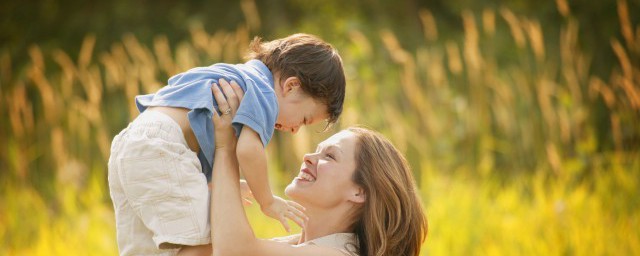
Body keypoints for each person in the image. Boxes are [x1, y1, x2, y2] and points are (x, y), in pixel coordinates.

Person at [107, 33, 346, 255]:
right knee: (199, 245)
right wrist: (267, 200)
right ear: (291, 86)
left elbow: (194, 122)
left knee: (143, 247)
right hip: (164, 145)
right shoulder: (263, 95)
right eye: (304, 120)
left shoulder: (237, 74)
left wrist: (213, 184)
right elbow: (248, 150)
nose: (294, 130)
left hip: (131, 141)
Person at [201, 79, 428, 256]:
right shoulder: (302, 245)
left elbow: (233, 251)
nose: (309, 157)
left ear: (360, 191)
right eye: (317, 150)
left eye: (329, 156)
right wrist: (217, 191)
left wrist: (226, 147)